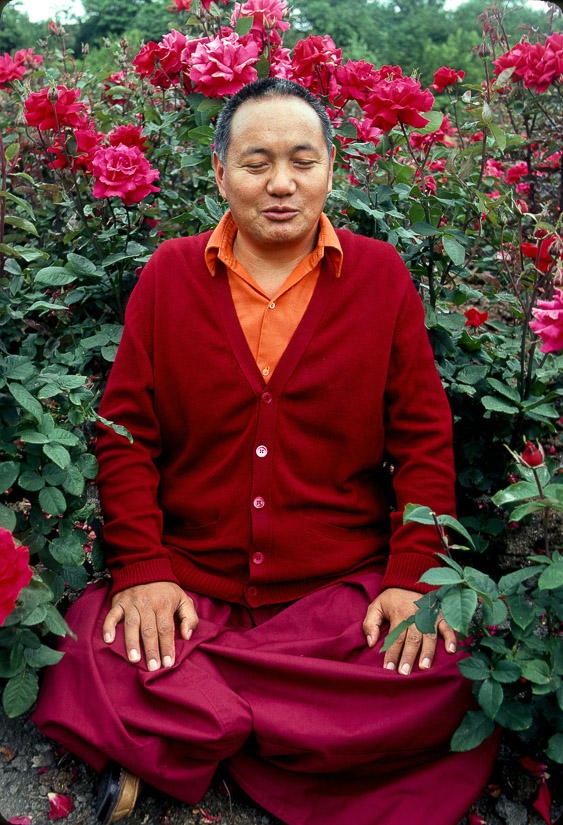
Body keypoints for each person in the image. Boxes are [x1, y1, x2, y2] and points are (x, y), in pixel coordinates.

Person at [33, 78, 499, 825]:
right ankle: (291, 734)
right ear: (220, 173)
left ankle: (183, 732)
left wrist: (410, 576)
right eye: (255, 162)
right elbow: (125, 435)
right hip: (195, 589)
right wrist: (144, 570)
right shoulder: (170, 274)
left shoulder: (379, 276)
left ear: (330, 167)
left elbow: (421, 438)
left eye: (300, 160)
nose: (280, 184)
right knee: (86, 638)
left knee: (450, 667)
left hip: (335, 596)